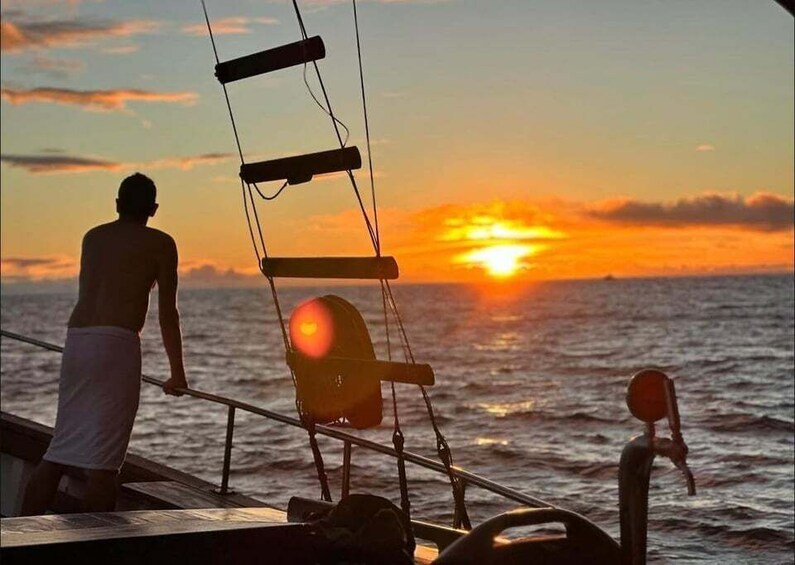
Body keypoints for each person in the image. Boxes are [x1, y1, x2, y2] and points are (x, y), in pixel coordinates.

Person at [20, 172, 188, 515]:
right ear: (154, 209)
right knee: (105, 462)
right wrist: (177, 375)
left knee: (60, 449)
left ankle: (19, 536)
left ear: (116, 204)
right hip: (116, 344)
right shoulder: (161, 243)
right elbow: (167, 313)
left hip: (78, 341)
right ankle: (98, 546)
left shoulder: (92, 237)